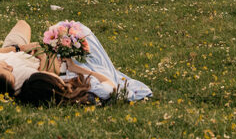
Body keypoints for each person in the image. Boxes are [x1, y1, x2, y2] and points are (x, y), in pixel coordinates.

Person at [17, 21, 152, 104]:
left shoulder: (55, 88)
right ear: (51, 83)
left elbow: (43, 78)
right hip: (95, 73)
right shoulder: (90, 92)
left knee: (62, 29)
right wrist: (77, 69)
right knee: (78, 30)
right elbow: (111, 86)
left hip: (71, 72)